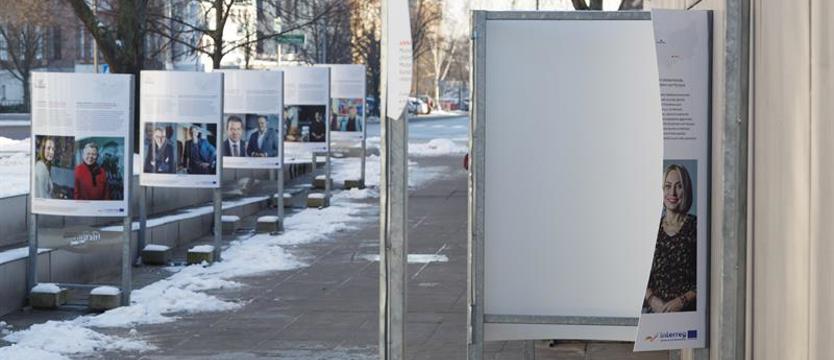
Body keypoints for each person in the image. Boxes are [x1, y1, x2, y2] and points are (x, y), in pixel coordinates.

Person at [644, 164, 697, 313]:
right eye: (667, 186)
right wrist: (652, 300)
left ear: (686, 190)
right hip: (655, 316)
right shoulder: (650, 229)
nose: (672, 192)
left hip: (687, 315)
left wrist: (682, 301)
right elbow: (637, 274)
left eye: (679, 186)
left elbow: (707, 278)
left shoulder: (697, 226)